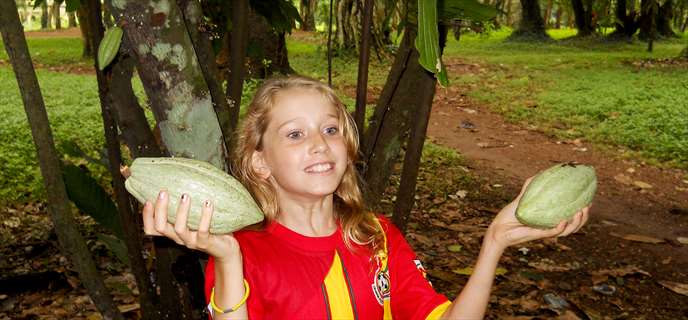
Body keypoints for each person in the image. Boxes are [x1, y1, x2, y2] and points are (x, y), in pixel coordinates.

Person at [141, 76, 590, 320]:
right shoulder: (246, 251)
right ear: (260, 162)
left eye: (331, 129)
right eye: (295, 134)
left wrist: (493, 242)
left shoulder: (377, 236)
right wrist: (225, 254)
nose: (319, 144)